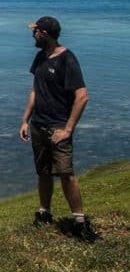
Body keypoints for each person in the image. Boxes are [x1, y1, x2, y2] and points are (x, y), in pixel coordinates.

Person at [19, 16, 98, 241]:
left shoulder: (67, 59)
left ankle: (80, 222)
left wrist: (68, 129)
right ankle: (44, 213)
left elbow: (82, 97)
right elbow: (35, 91)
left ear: (44, 33)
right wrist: (25, 120)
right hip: (38, 125)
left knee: (66, 173)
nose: (32, 35)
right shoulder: (40, 58)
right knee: (43, 172)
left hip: (58, 126)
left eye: (35, 31)